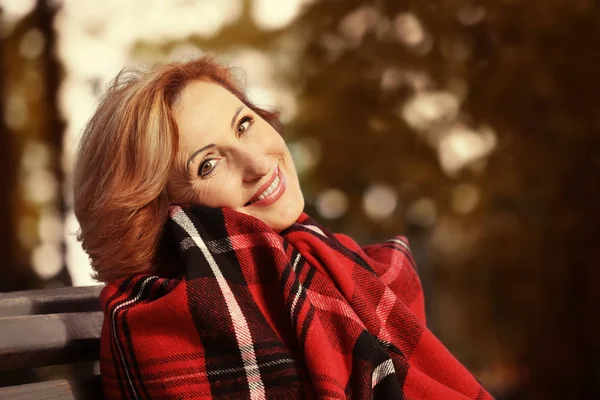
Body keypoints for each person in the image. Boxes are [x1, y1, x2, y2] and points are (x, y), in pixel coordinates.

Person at [74, 57, 492, 399]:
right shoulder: (170, 324)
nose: (258, 163)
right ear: (157, 216)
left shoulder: (318, 263)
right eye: (208, 164)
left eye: (244, 124)